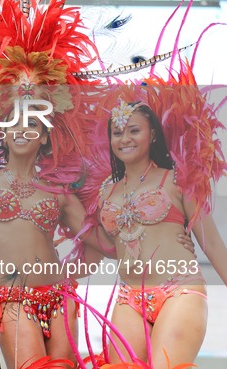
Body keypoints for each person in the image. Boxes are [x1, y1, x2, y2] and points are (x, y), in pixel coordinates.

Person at [98, 99, 227, 367]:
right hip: (128, 298)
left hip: (179, 290)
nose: (125, 139)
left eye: (134, 130)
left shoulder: (178, 180)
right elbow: (101, 247)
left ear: (153, 134)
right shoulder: (105, 192)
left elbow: (213, 244)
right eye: (117, 132)